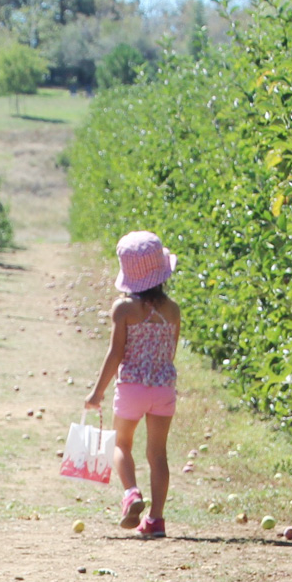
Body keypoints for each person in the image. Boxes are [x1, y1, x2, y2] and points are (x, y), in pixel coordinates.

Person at [85, 231, 180, 539]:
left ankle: (131, 493)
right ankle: (156, 519)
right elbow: (171, 351)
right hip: (163, 387)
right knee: (158, 454)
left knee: (121, 444)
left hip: (132, 388)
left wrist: (97, 392)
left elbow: (116, 353)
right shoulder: (172, 310)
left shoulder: (123, 310)